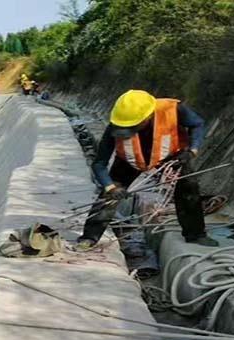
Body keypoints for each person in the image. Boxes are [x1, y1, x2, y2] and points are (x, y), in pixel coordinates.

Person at [77, 90, 217, 249]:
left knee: (188, 189)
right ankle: (89, 237)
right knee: (108, 197)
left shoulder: (173, 109)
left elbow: (197, 124)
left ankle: (195, 234)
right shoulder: (116, 126)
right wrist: (111, 187)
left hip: (172, 156)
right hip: (130, 160)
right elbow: (99, 163)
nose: (126, 132)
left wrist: (192, 150)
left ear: (147, 117)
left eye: (131, 128)